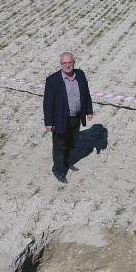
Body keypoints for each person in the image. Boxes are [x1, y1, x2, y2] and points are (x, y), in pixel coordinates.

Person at [43, 52, 94, 183]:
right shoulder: (52, 80)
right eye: (64, 63)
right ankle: (59, 170)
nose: (67, 65)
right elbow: (48, 104)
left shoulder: (80, 75)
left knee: (72, 143)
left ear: (73, 63)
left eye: (69, 62)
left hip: (76, 118)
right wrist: (48, 122)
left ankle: (67, 163)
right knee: (60, 146)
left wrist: (89, 110)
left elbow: (86, 94)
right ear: (61, 65)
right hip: (60, 119)